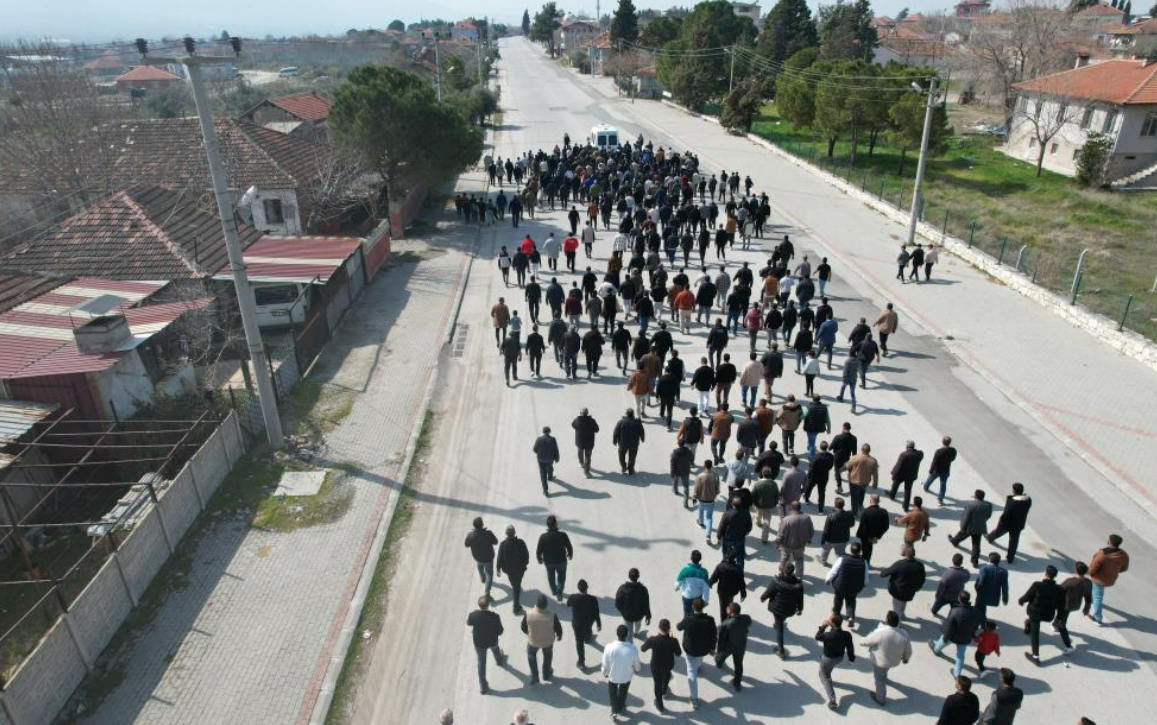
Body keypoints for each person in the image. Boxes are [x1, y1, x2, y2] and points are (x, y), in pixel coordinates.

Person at [1019, 565, 1070, 664]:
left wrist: (1021, 601)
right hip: (1048, 615)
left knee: (1035, 632)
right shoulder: (1059, 589)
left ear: (1046, 573)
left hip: (1034, 612)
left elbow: (1027, 596)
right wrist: (1059, 617)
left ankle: (1035, 657)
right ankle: (1028, 625)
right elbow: (1061, 605)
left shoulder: (1037, 585)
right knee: (1031, 622)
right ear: (1055, 576)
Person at [861, 610, 912, 707]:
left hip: (880, 662)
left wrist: (861, 641)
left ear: (887, 621)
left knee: (879, 679)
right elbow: (908, 650)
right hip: (893, 661)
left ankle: (880, 698)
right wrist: (906, 658)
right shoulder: (904, 634)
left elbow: (866, 641)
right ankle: (885, 676)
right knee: (884, 671)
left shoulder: (882, 632)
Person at [676, 598, 717, 710]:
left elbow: (679, 627)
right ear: (703, 607)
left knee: (691, 673)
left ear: (693, 607)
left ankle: (694, 698)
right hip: (704, 649)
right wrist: (712, 648)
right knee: (699, 660)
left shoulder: (689, 619)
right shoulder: (710, 620)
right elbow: (714, 635)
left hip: (690, 650)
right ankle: (698, 667)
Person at [930, 591, 982, 678]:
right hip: (965, 637)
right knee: (960, 656)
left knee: (942, 641)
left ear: (959, 598)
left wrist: (945, 638)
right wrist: (971, 634)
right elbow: (976, 624)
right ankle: (957, 674)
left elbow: (949, 627)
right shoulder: (975, 611)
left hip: (953, 636)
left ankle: (936, 650)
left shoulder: (955, 611)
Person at [761, 562, 804, 658]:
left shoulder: (777, 581)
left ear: (784, 570)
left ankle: (781, 651)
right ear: (793, 571)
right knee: (782, 619)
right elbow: (800, 598)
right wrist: (800, 609)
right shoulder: (798, 585)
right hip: (789, 609)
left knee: (780, 628)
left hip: (777, 608)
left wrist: (763, 598)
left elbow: (769, 591)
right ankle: (778, 623)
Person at [467, 595, 507, 694]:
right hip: (492, 640)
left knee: (481, 663)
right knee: (496, 650)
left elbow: (469, 623)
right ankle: (499, 660)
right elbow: (500, 631)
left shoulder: (473, 615)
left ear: (479, 605)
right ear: (488, 605)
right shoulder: (495, 616)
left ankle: (483, 686)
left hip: (479, 643)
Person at [816, 613, 856, 711]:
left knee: (824, 676)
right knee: (828, 668)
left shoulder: (828, 635)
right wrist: (851, 659)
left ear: (832, 624)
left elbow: (817, 636)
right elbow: (850, 648)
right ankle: (827, 672)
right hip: (839, 658)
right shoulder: (847, 635)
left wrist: (823, 626)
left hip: (827, 658)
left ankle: (832, 700)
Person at [1088, 533, 1129, 626]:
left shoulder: (1102, 554)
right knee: (1097, 593)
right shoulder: (1123, 555)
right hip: (1111, 578)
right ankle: (1092, 601)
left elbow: (1093, 567)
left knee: (1098, 597)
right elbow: (1124, 568)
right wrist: (1114, 572)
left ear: (1109, 541)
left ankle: (1097, 618)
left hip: (1098, 578)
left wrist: (1090, 573)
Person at [521, 594, 563, 685]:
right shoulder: (552, 615)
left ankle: (535, 676)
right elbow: (558, 628)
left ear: (536, 603)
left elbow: (523, 627)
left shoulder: (528, 614)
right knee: (547, 656)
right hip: (548, 641)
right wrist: (559, 635)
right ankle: (546, 674)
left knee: (531, 654)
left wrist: (528, 633)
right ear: (546, 605)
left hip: (533, 641)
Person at [641, 619, 681, 713]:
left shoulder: (653, 640)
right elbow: (678, 653)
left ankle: (659, 704)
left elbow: (643, 649)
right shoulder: (673, 641)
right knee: (667, 676)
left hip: (656, 666)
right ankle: (664, 691)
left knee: (657, 683)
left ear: (659, 627)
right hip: (668, 665)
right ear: (669, 629)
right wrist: (672, 639)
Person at [987, 483, 1032, 564]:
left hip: (1007, 523)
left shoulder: (1012, 502)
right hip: (1019, 524)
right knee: (1014, 541)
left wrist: (1001, 521)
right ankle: (1010, 558)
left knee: (998, 531)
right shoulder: (1028, 500)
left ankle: (990, 538)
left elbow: (1006, 513)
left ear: (1014, 491)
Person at [602, 624, 641, 718]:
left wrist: (604, 670)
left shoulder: (609, 647)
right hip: (626, 676)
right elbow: (636, 664)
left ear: (617, 634)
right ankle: (621, 707)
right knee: (623, 693)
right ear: (627, 635)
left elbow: (605, 662)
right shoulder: (633, 648)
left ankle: (614, 710)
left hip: (613, 676)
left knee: (612, 693)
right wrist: (637, 670)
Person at [879, 544, 926, 621]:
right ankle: (902, 615)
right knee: (903, 604)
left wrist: (882, 573)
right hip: (910, 591)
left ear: (905, 554)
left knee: (897, 609)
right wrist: (918, 588)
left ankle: (897, 624)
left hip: (898, 592)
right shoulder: (919, 565)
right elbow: (922, 579)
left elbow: (887, 572)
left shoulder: (900, 564)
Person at [827, 541, 868, 627]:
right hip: (854, 586)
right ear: (860, 551)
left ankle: (836, 613)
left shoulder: (842, 559)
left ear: (850, 550)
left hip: (840, 585)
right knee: (851, 600)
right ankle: (850, 616)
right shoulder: (863, 562)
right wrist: (865, 583)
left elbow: (834, 571)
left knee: (838, 599)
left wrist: (828, 579)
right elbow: (865, 575)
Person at [950, 490, 993, 567]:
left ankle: (954, 541)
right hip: (980, 527)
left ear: (975, 496)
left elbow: (966, 518)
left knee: (961, 534)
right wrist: (982, 521)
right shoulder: (988, 505)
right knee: (976, 544)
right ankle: (974, 561)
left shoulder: (971, 505)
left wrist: (962, 527)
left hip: (969, 526)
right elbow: (988, 515)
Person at [715, 602, 752, 691]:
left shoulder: (726, 624)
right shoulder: (746, 618)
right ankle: (737, 683)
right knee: (738, 664)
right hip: (741, 646)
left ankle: (719, 663)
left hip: (729, 646)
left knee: (722, 656)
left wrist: (719, 649)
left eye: (728, 608)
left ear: (732, 613)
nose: (726, 608)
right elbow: (749, 624)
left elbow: (721, 639)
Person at [566, 579, 602, 669]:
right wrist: (598, 623)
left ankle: (581, 661)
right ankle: (587, 638)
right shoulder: (593, 599)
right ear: (587, 588)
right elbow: (596, 612)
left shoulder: (573, 598)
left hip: (577, 624)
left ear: (578, 588)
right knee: (587, 631)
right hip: (588, 622)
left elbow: (568, 604)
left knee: (579, 641)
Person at [537, 515, 573, 601]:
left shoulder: (543, 537)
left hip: (549, 562)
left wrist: (539, 558)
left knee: (551, 576)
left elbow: (539, 550)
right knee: (561, 577)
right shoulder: (563, 535)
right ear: (555, 524)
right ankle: (559, 591)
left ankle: (554, 591)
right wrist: (570, 554)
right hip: (561, 561)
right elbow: (569, 546)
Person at [497, 526, 530, 615]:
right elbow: (526, 555)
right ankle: (516, 607)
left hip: (509, 571)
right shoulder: (520, 542)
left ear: (506, 534)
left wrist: (498, 568)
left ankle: (515, 589)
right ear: (514, 532)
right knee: (516, 586)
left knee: (514, 584)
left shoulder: (503, 544)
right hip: (520, 570)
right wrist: (525, 564)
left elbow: (500, 557)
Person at [776, 501, 814, 577]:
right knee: (799, 560)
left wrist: (778, 543)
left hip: (787, 545)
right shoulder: (807, 518)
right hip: (800, 545)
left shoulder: (786, 519)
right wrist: (809, 539)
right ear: (800, 508)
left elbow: (781, 534)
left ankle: (782, 575)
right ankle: (799, 577)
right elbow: (811, 530)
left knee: (784, 560)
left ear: (791, 508)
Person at [1057, 561, 1092, 644]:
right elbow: (1088, 597)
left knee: (1063, 620)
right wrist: (1086, 608)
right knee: (1064, 614)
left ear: (1076, 570)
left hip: (1066, 604)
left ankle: (1067, 641)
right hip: (1076, 605)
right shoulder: (1088, 582)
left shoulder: (1070, 581)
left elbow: (1060, 590)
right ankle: (1056, 623)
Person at [465, 517, 500, 598]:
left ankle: (482, 578)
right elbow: (495, 542)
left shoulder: (471, 535)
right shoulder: (488, 533)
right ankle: (487, 593)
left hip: (477, 557)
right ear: (482, 524)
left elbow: (466, 544)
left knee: (479, 565)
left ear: (474, 526)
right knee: (489, 574)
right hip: (488, 558)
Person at [708, 551, 746, 621]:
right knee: (730, 603)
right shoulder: (738, 569)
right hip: (732, 592)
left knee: (723, 608)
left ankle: (724, 623)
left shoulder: (720, 566)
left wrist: (710, 583)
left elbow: (714, 577)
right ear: (735, 558)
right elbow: (741, 583)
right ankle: (730, 616)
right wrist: (743, 594)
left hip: (722, 592)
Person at [615, 568, 652, 638]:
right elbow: (646, 604)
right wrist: (648, 616)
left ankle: (629, 635)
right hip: (639, 616)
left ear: (629, 577)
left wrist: (623, 611)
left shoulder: (622, 589)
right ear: (638, 577)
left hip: (627, 616)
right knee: (638, 625)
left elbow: (617, 604)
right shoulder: (643, 589)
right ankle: (636, 633)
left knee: (628, 628)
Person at [888, 440, 924, 512]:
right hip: (911, 475)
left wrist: (894, 474)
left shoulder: (903, 455)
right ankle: (905, 507)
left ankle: (892, 495)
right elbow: (920, 452)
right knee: (908, 490)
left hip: (901, 475)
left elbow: (898, 466)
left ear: (907, 447)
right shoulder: (919, 454)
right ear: (913, 447)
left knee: (895, 485)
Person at [844, 444, 879, 517]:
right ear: (869, 451)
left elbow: (847, 466)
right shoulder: (873, 461)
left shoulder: (856, 457)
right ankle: (860, 505)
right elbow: (875, 474)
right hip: (865, 482)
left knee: (854, 498)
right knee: (862, 493)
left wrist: (840, 470)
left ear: (862, 450)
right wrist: (875, 483)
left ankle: (854, 513)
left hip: (854, 481)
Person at [975, 552, 1010, 622]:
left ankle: (981, 622)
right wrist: (1005, 599)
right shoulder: (1004, 572)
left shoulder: (984, 569)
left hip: (982, 595)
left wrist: (977, 591)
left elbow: (980, 583)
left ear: (989, 559)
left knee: (979, 609)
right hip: (994, 596)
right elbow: (1005, 588)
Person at [856, 494, 890, 566]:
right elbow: (886, 526)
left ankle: (864, 564)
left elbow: (863, 527)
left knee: (865, 550)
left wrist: (867, 536)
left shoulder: (865, 512)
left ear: (870, 500)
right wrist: (877, 536)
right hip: (875, 536)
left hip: (866, 536)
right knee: (869, 549)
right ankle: (867, 562)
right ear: (879, 501)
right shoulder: (884, 512)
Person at [820, 497, 855, 566]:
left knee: (825, 550)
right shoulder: (849, 514)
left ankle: (823, 561)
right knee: (840, 553)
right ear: (843, 505)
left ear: (835, 505)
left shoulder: (831, 516)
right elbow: (852, 524)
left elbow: (826, 530)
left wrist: (822, 540)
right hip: (843, 538)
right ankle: (841, 564)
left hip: (830, 539)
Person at [923, 435, 957, 505]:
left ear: (942, 442)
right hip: (946, 469)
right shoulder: (953, 450)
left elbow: (934, 462)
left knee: (930, 479)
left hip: (937, 470)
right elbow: (953, 459)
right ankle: (940, 498)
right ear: (950, 442)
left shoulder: (939, 451)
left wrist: (930, 470)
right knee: (943, 484)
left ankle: (925, 487)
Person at [934, 553, 970, 618]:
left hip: (945, 596)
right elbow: (967, 579)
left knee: (937, 605)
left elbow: (941, 586)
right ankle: (952, 617)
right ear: (961, 562)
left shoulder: (947, 573)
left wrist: (938, 595)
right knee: (954, 609)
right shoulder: (965, 573)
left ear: (952, 560)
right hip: (957, 596)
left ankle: (934, 611)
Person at [692, 461, 721, 541]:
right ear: (711, 466)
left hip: (701, 499)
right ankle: (708, 535)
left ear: (704, 466)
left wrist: (694, 497)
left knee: (700, 510)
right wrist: (714, 494)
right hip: (711, 500)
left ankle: (701, 522)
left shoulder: (700, 476)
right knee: (709, 518)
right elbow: (718, 489)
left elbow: (696, 488)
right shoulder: (715, 476)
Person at [612, 408, 646, 475]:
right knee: (632, 457)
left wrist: (614, 441)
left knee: (621, 455)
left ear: (626, 414)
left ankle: (624, 467)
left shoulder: (621, 421)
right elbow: (641, 431)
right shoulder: (637, 422)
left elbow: (616, 432)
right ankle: (630, 469)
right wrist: (642, 439)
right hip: (634, 444)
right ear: (633, 414)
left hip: (622, 443)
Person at [751, 468, 780, 544]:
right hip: (769, 505)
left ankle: (758, 521)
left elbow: (753, 494)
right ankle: (764, 538)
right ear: (770, 474)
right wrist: (775, 503)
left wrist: (753, 503)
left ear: (762, 474)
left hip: (759, 504)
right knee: (767, 521)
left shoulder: (758, 483)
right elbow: (777, 495)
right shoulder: (774, 484)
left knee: (758, 514)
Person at [571, 408, 599, 477]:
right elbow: (597, 429)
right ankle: (586, 472)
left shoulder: (577, 420)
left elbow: (573, 425)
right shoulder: (592, 421)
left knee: (580, 451)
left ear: (580, 413)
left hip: (579, 441)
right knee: (588, 456)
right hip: (589, 442)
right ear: (587, 413)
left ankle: (581, 463)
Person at [532, 426, 560, 496]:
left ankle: (545, 490)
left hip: (540, 459)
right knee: (550, 466)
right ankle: (550, 477)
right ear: (549, 432)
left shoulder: (539, 439)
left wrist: (539, 453)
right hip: (550, 458)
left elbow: (535, 449)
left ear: (543, 432)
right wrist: (557, 458)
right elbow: (555, 450)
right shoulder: (553, 439)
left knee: (543, 474)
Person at [830, 422, 857, 493]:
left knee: (837, 471)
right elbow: (854, 452)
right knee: (842, 467)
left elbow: (830, 447)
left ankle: (839, 487)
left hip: (837, 457)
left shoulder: (838, 437)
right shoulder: (854, 438)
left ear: (843, 428)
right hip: (846, 458)